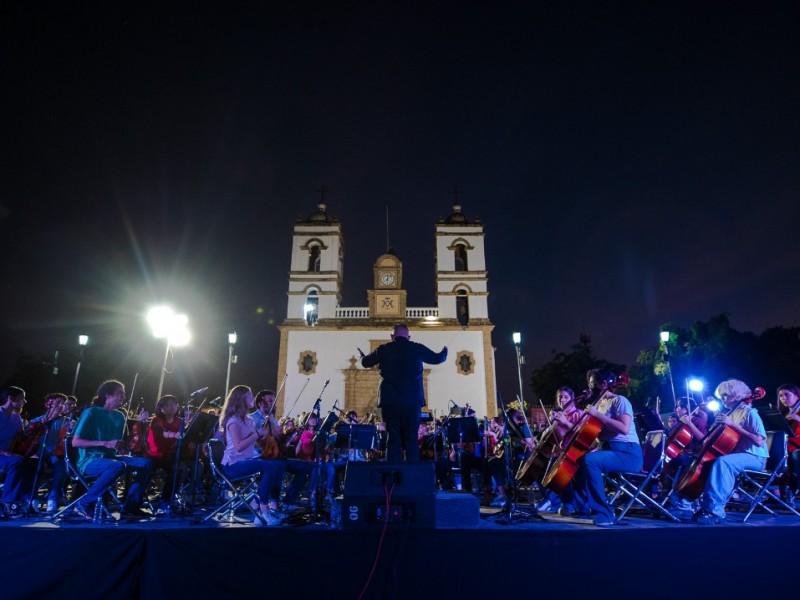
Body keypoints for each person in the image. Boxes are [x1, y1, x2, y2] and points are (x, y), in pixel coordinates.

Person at [565, 369, 643, 527]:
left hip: (628, 452)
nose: (591, 387)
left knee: (590, 461)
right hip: (610, 450)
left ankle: (605, 513)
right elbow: (599, 434)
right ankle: (582, 507)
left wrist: (597, 415)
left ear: (604, 384)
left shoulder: (619, 400)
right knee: (578, 461)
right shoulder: (599, 406)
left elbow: (624, 428)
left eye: (593, 384)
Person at [361, 324, 447, 463]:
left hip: (390, 403)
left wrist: (361, 356)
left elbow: (366, 363)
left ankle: (393, 479)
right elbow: (438, 359)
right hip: (412, 403)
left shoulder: (383, 349)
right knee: (411, 440)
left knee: (393, 440)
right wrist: (445, 351)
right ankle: (412, 479)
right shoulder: (417, 347)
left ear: (392, 336)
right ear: (409, 337)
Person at [71, 379, 154, 520]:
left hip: (111, 458)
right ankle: (84, 504)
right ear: (107, 395)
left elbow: (115, 445)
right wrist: (104, 443)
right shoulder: (91, 413)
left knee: (146, 463)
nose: (123, 396)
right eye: (119, 393)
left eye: (124, 394)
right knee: (117, 466)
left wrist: (122, 446)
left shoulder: (120, 416)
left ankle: (131, 506)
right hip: (89, 461)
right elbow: (75, 442)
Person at [691, 379, 768, 525]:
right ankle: (685, 502)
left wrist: (732, 425)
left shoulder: (750, 413)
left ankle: (714, 511)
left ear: (736, 395)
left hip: (755, 457)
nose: (722, 399)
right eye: (721, 396)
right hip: (737, 457)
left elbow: (759, 441)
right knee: (705, 461)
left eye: (725, 395)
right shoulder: (730, 414)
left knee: (723, 462)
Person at [218, 385, 286, 526]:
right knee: (268, 466)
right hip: (233, 464)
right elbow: (239, 446)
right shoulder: (233, 421)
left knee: (278, 464)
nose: (253, 398)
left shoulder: (249, 420)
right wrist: (257, 434)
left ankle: (272, 504)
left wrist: (270, 428)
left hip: (247, 460)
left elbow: (257, 440)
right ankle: (263, 511)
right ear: (241, 399)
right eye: (250, 395)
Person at [0, 386, 38, 517]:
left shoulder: (16, 418)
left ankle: (24, 500)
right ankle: (7, 502)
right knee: (16, 462)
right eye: (22, 398)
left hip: (7, 456)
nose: (25, 402)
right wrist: (5, 453)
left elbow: (21, 437)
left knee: (34, 463)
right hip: (3, 455)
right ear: (11, 399)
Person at [486, 409, 535, 507]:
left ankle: (504, 494)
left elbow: (530, 447)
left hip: (522, 460)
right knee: (491, 462)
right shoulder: (508, 430)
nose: (507, 421)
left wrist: (517, 440)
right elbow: (502, 444)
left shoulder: (523, 427)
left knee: (495, 464)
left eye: (509, 419)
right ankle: (501, 494)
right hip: (511, 459)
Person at [776, 384, 799, 508]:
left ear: (797, 396)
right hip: (787, 447)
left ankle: (795, 491)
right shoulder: (784, 414)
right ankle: (776, 494)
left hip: (797, 447)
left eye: (787, 395)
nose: (783, 398)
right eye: (780, 396)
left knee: (796, 455)